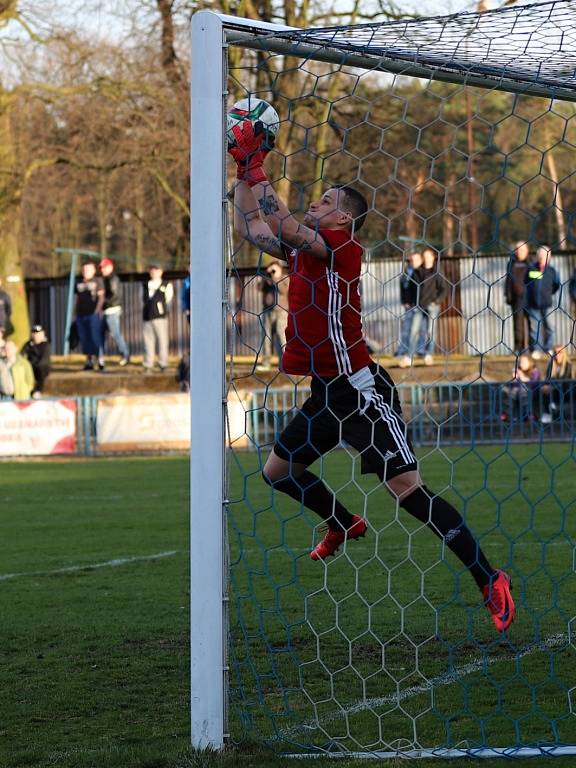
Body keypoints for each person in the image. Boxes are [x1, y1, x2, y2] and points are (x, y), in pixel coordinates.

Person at [228, 118, 515, 633]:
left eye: (325, 200)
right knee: (277, 473)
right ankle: (342, 520)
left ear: (343, 217)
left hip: (361, 392)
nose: (315, 203)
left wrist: (257, 166)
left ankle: (489, 577)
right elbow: (252, 227)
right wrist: (239, 175)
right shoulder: (305, 249)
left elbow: (286, 223)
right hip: (325, 394)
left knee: (408, 493)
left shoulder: (342, 248)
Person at [525, 245, 560, 360]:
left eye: (545, 255)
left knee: (550, 327)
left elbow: (556, 285)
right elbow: (526, 283)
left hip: (547, 304)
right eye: (540, 254)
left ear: (549, 257)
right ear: (537, 256)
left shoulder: (552, 271)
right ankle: (536, 350)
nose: (542, 257)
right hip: (533, 304)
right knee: (535, 328)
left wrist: (548, 294)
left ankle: (548, 348)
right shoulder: (531, 268)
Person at [415, 247, 447, 366]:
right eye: (425, 257)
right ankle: (419, 353)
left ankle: (429, 355)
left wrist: (437, 301)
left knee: (430, 331)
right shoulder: (419, 271)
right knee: (420, 330)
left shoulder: (437, 271)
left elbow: (445, 289)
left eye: (429, 256)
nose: (427, 259)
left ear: (433, 258)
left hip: (432, 306)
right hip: (420, 305)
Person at [258, 260, 289, 370]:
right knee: (266, 338)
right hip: (267, 311)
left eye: (275, 268)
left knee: (282, 338)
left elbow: (283, 291)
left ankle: (285, 364)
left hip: (282, 312)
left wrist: (276, 277)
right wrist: (267, 275)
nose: (273, 270)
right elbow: (259, 288)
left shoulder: (285, 278)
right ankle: (266, 364)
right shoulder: (267, 279)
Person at [99, 258, 130, 366]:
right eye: (101, 267)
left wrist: (101, 302)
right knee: (100, 334)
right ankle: (100, 357)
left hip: (112, 310)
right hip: (106, 310)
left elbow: (113, 296)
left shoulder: (113, 279)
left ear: (110, 267)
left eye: (104, 267)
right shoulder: (106, 278)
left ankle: (125, 354)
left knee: (115, 334)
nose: (102, 269)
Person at [74, 262, 105, 371]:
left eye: (88, 270)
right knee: (84, 338)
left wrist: (97, 311)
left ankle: (100, 359)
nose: (85, 272)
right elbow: (76, 298)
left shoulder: (97, 281)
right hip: (80, 314)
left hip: (93, 314)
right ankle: (89, 360)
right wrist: (75, 312)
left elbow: (101, 297)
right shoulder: (78, 282)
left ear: (93, 271)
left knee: (95, 337)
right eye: (84, 270)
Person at [142, 264, 173, 372]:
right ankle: (148, 364)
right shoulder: (145, 284)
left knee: (162, 341)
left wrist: (162, 311)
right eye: (152, 269)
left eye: (156, 269)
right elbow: (142, 299)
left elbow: (168, 300)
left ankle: (163, 363)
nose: (154, 272)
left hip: (160, 317)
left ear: (161, 271)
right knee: (148, 342)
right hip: (147, 317)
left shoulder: (166, 284)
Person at [395, 251, 422, 368]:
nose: (413, 262)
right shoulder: (406, 274)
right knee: (407, 330)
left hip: (421, 305)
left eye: (416, 260)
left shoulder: (421, 273)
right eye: (411, 260)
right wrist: (404, 302)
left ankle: (419, 352)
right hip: (410, 306)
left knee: (421, 330)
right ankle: (404, 352)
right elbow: (403, 289)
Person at [504, 241, 530, 355]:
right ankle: (518, 348)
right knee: (517, 324)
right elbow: (508, 280)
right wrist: (508, 294)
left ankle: (530, 348)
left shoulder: (531, 262)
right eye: (517, 249)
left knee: (532, 324)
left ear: (527, 251)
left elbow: (536, 278)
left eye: (522, 249)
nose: (519, 252)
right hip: (516, 299)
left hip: (529, 298)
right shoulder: (511, 263)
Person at [500, 353, 541, 423]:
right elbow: (514, 385)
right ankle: (507, 414)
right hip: (518, 392)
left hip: (532, 391)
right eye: (521, 362)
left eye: (524, 362)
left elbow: (532, 383)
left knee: (521, 390)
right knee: (513, 390)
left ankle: (528, 414)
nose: (522, 364)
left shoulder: (535, 371)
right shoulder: (518, 370)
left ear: (530, 362)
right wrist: (514, 378)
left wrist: (521, 376)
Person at [540, 345, 574, 424]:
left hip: (565, 390)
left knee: (552, 389)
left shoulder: (568, 365)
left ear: (564, 354)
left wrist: (552, 387)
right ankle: (547, 412)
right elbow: (547, 379)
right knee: (542, 389)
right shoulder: (551, 365)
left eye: (560, 352)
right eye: (555, 352)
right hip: (553, 389)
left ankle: (553, 407)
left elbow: (565, 381)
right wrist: (545, 386)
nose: (557, 354)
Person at [21, 324, 51, 397]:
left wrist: (32, 366)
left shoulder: (45, 345)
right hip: (30, 367)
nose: (35, 334)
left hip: (41, 368)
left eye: (37, 333)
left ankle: (37, 391)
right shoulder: (28, 344)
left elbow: (44, 360)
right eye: (33, 332)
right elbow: (21, 355)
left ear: (42, 334)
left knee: (41, 369)